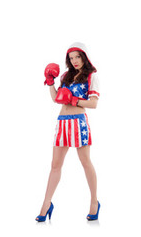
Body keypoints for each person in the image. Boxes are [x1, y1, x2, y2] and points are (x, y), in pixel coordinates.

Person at [35, 42, 101, 222]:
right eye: (71, 58)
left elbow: (93, 103)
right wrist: (50, 83)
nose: (74, 61)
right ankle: (46, 204)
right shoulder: (66, 75)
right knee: (55, 165)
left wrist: (74, 100)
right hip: (62, 122)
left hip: (79, 122)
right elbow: (57, 99)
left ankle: (94, 201)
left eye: (77, 57)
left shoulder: (91, 76)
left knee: (86, 162)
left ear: (84, 56)